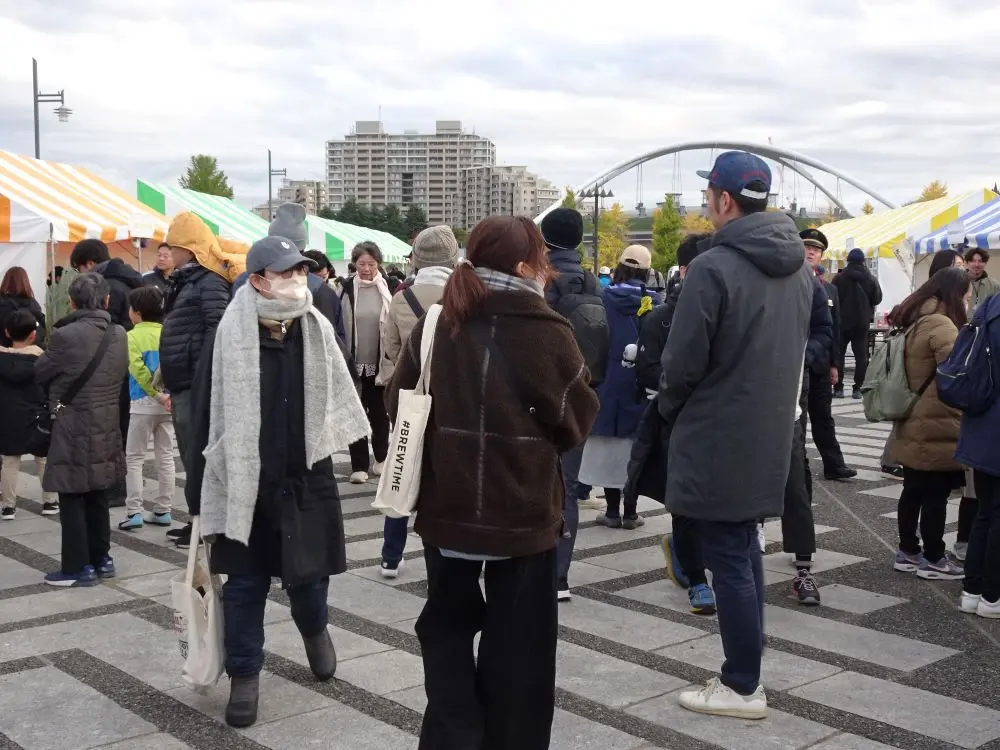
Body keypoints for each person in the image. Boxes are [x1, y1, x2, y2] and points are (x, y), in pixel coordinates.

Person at [386, 215, 598, 749]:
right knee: (520, 643)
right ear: (526, 266)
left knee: (446, 628)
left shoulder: (438, 322)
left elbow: (398, 403)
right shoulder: (548, 332)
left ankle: (454, 734)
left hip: (447, 505)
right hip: (522, 512)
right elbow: (576, 421)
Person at [185, 236, 370, 728]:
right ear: (259, 279)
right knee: (244, 587)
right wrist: (197, 494)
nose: (296, 280)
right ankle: (245, 676)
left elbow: (340, 394)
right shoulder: (229, 335)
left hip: (305, 479)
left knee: (309, 581)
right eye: (285, 272)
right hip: (243, 485)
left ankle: (315, 632)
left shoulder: (316, 329)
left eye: (300, 271)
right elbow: (202, 417)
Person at [660, 152, 812, 719]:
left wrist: (673, 412)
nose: (706, 205)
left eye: (708, 196)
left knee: (728, 553)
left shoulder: (714, 266)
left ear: (724, 200)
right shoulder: (799, 267)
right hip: (769, 426)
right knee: (743, 546)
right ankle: (744, 669)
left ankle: (743, 683)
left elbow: (681, 364)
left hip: (716, 428)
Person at [634, 233, 716, 615]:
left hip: (720, 423)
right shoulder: (661, 317)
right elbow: (648, 371)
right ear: (684, 271)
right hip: (676, 422)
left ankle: (696, 560)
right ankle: (698, 580)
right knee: (684, 504)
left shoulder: (730, 311)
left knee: (714, 505)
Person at [375, 226, 459, 580]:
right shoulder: (463, 296)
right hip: (454, 399)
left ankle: (390, 556)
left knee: (402, 467)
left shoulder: (400, 298)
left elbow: (392, 348)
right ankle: (446, 550)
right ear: (453, 258)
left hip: (409, 398)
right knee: (447, 474)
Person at [35, 273, 129, 587]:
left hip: (73, 421)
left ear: (72, 302)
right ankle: (102, 559)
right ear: (105, 301)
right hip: (106, 420)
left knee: (72, 492)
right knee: (98, 491)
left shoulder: (65, 335)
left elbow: (41, 371)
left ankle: (78, 567)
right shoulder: (118, 333)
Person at [159, 213, 232, 549]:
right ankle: (197, 519)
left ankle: (206, 522)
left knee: (198, 455)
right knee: (190, 454)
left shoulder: (210, 281)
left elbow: (216, 331)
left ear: (188, 249)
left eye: (174, 246)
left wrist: (202, 374)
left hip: (196, 383)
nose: (168, 252)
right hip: (184, 380)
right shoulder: (187, 280)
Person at [891, 267, 969, 580]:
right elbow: (956, 375)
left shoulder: (917, 318)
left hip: (914, 416)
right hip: (936, 421)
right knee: (935, 494)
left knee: (913, 490)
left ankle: (908, 551)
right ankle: (934, 558)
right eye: (966, 293)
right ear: (955, 294)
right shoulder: (942, 324)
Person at [580, 245, 661, 530]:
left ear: (619, 268)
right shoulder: (657, 303)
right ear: (647, 271)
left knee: (611, 448)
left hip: (609, 383)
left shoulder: (605, 300)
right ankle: (631, 512)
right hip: (644, 386)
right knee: (635, 449)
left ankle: (612, 511)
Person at [70, 240, 143, 509]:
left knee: (113, 428)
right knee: (124, 427)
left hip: (114, 366)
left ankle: (116, 487)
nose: (81, 273)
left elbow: (103, 330)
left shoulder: (106, 286)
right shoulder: (131, 279)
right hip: (132, 363)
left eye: (80, 267)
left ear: (89, 263)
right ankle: (126, 484)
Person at [955, 291, 1000, 617]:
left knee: (986, 512)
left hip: (981, 421)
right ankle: (993, 596)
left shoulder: (990, 305)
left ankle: (972, 591)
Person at [801, 229, 857, 481]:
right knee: (797, 421)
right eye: (807, 247)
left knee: (823, 417)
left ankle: (834, 464)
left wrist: (836, 365)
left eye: (817, 250)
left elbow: (835, 329)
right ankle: (797, 468)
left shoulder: (829, 289)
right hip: (797, 364)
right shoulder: (788, 283)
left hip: (821, 364)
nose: (811, 252)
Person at [119, 286, 175, 532]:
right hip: (169, 404)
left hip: (142, 404)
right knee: (166, 456)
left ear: (137, 313)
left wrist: (155, 394)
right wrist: (166, 396)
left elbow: (137, 369)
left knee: (134, 457)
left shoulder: (130, 337)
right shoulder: (168, 333)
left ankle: (134, 512)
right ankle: (164, 509)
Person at [340, 241, 392, 484]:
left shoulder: (389, 287)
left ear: (378, 264)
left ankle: (380, 458)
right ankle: (358, 465)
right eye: (362, 264)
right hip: (353, 363)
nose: (367, 269)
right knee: (355, 413)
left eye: (371, 264)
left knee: (380, 414)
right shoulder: (346, 288)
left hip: (380, 362)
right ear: (354, 264)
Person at [0, 310, 56, 519]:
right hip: (36, 414)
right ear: (33, 335)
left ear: (7, 332)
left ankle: (8, 506)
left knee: (10, 460)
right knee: (42, 457)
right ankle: (50, 501)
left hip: (7, 415)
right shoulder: (42, 359)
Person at [832, 247, 882, 399]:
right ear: (863, 261)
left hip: (842, 322)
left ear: (848, 261)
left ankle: (839, 388)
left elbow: (833, 298)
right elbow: (877, 298)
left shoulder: (839, 278)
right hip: (862, 323)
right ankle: (858, 388)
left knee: (839, 355)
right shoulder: (870, 278)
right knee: (861, 356)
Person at [0, 266, 45, 347]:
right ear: (25, 282)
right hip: (29, 354)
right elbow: (40, 328)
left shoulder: (2, 304)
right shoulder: (33, 305)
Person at [965, 248, 1000, 317]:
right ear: (967, 263)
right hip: (961, 325)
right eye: (973, 261)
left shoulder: (995, 286)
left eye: (980, 261)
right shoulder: (957, 282)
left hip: (984, 326)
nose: (977, 265)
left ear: (985, 263)